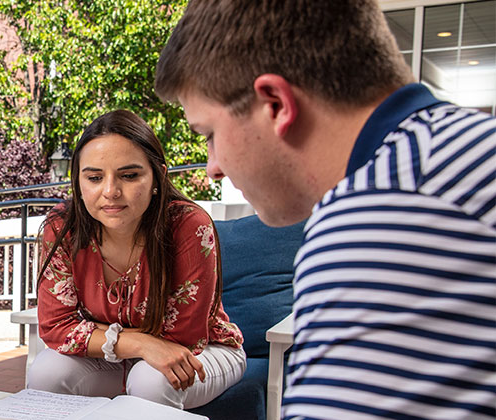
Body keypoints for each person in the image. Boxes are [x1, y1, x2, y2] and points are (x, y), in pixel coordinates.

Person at [154, 1, 496, 419]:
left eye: (208, 133)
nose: (212, 168)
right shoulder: (467, 151)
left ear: (276, 104)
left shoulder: (375, 217)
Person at [27, 110, 245, 410]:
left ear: (158, 176)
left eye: (129, 176)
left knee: (150, 380)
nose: (110, 192)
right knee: (46, 373)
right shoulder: (62, 227)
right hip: (119, 354)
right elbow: (55, 327)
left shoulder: (189, 225)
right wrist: (141, 344)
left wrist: (112, 340)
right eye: (93, 177)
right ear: (77, 182)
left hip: (204, 349)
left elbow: (183, 337)